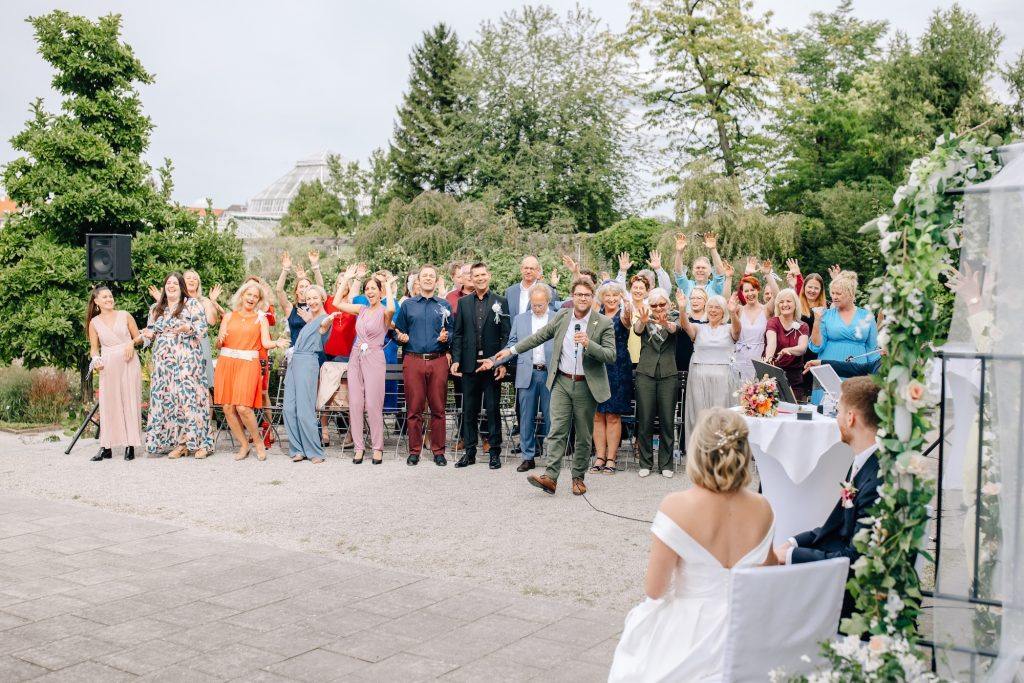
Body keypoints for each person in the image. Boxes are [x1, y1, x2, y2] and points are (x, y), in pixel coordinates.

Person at [609, 408, 776, 682]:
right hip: (747, 629)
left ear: (698, 451)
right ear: (744, 453)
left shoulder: (676, 506)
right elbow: (769, 572)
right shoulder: (763, 507)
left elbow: (655, 589)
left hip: (692, 631)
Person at [489, 277, 616, 495]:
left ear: (592, 297)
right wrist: (511, 351)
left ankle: (578, 478)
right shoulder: (563, 316)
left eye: (586, 295)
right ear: (572, 296)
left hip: (586, 385)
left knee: (584, 435)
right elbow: (539, 336)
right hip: (562, 381)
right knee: (557, 430)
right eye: (578, 294)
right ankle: (551, 477)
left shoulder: (603, 322)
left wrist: (589, 344)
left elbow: (610, 355)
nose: (582, 298)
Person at [774, 376, 882, 620]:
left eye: (838, 412)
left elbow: (855, 557)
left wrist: (791, 558)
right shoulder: (862, 461)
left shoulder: (877, 480)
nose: (836, 419)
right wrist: (792, 544)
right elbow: (836, 526)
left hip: (857, 595)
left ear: (851, 418)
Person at [214, 281, 290, 461]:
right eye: (249, 294)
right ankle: (243, 445)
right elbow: (219, 344)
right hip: (227, 362)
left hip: (248, 363)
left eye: (256, 296)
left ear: (258, 301)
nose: (252, 298)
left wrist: (276, 343)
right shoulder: (228, 316)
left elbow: (265, 343)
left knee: (243, 407)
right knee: (227, 407)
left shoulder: (260, 319)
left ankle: (258, 443)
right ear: (242, 296)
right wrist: (219, 338)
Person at [143, 272, 214, 459]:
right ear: (164, 286)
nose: (171, 286)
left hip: (187, 358)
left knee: (190, 399)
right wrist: (147, 334)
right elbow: (150, 331)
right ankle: (181, 443)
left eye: (175, 283)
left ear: (181, 286)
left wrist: (187, 328)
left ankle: (202, 444)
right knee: (171, 401)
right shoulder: (156, 308)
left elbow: (203, 329)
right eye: (168, 283)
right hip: (163, 361)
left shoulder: (192, 304)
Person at [331, 272, 397, 464]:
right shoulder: (361, 309)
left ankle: (377, 447)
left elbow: (391, 308)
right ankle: (359, 447)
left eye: (373, 288)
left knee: (373, 405)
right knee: (356, 404)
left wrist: (389, 288)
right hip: (355, 357)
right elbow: (337, 303)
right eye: (367, 288)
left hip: (375, 357)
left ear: (379, 291)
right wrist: (346, 279)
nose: (369, 291)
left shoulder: (385, 312)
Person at [450, 262, 510, 469]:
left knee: (492, 409)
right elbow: (457, 334)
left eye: (483, 275)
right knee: (469, 410)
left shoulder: (501, 301)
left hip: (492, 365)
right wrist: (456, 359)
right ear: (471, 279)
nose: (480, 279)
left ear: (489, 276)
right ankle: (470, 452)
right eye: (476, 276)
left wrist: (501, 362)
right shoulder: (464, 303)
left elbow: (506, 335)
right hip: (469, 365)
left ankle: (494, 452)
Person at [393, 264, 453, 467]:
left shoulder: (444, 305)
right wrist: (400, 336)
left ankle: (438, 451)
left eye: (432, 276)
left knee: (438, 408)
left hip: (437, 360)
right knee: (414, 409)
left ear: (436, 282)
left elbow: (454, 333)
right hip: (413, 360)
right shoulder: (408, 305)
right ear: (418, 281)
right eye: (424, 276)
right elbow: (396, 331)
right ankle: (414, 451)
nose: (428, 279)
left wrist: (448, 337)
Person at [500, 284, 558, 471]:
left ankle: (552, 457)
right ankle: (528, 456)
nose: (536, 308)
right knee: (526, 417)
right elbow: (512, 343)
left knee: (552, 417)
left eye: (540, 305)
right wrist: (499, 360)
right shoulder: (520, 319)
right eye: (533, 304)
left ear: (548, 302)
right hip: (527, 372)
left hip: (550, 373)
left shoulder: (557, 318)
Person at [85, 286, 144, 462]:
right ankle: (106, 446)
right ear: (96, 302)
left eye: (110, 296)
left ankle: (130, 444)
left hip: (128, 361)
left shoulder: (125, 315)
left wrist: (131, 343)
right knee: (108, 403)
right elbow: (94, 348)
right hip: (108, 363)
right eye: (104, 297)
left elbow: (140, 337)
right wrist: (96, 361)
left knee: (129, 400)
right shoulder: (94, 323)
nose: (109, 299)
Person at [676, 292, 739, 444]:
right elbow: (685, 325)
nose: (713, 310)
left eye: (717, 307)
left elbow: (737, 332)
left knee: (721, 415)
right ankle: (701, 450)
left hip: (723, 377)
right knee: (701, 414)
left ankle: (722, 449)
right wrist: (682, 309)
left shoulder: (730, 328)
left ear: (723, 311)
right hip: (699, 375)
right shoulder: (698, 328)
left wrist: (733, 312)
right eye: (710, 307)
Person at [282, 285, 335, 464]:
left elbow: (323, 326)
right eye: (309, 298)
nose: (311, 301)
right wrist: (309, 320)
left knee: (305, 410)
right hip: (294, 363)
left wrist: (328, 319)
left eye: (315, 298)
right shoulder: (310, 319)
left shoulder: (323, 319)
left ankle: (315, 451)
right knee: (288, 408)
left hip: (307, 363)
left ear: (322, 299)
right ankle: (297, 449)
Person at [808, 271, 878, 404]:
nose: (834, 297)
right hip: (828, 368)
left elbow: (872, 349)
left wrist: (875, 377)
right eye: (832, 293)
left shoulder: (867, 316)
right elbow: (817, 346)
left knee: (855, 407)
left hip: (857, 369)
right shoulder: (826, 315)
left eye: (838, 293)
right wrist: (817, 322)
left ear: (851, 294)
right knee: (824, 409)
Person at [633, 288, 680, 478]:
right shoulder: (644, 316)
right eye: (654, 305)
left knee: (667, 421)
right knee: (645, 419)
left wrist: (665, 323)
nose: (659, 308)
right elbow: (637, 330)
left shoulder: (675, 316)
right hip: (646, 372)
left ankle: (666, 464)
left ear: (668, 304)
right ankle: (645, 462)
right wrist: (644, 322)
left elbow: (675, 329)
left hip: (668, 373)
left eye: (662, 304)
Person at [592, 282, 633, 475]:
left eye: (615, 296)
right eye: (607, 295)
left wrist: (628, 306)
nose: (611, 299)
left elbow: (627, 320)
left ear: (619, 297)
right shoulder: (596, 313)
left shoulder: (623, 315)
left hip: (618, 368)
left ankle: (611, 458)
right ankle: (599, 456)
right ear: (601, 297)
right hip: (597, 367)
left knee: (614, 415)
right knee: (598, 414)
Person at [733, 261, 779, 382]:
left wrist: (768, 274)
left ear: (758, 290)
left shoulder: (766, 309)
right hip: (740, 356)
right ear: (742, 294)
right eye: (746, 291)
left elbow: (777, 295)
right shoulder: (739, 310)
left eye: (752, 290)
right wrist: (728, 278)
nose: (749, 294)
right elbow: (726, 299)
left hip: (759, 356)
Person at [763, 288, 810, 401]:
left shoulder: (803, 326)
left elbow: (802, 348)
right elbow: (771, 344)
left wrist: (789, 349)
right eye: (781, 301)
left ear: (795, 304)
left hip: (794, 377)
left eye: (788, 301)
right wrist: (768, 363)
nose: (785, 304)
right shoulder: (773, 322)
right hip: (774, 373)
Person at [182, 271, 222, 392]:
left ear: (198, 283)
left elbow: (212, 321)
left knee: (204, 387)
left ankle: (207, 410)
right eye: (188, 278)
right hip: (182, 344)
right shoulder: (178, 301)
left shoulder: (204, 301)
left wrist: (213, 302)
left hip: (200, 343)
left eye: (195, 278)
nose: (191, 280)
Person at [276, 250, 324, 346]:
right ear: (296, 291)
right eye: (301, 287)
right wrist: (285, 269)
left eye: (307, 287)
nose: (304, 289)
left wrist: (315, 266)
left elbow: (320, 286)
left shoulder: (315, 306)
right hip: (297, 352)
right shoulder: (290, 308)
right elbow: (279, 290)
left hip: (316, 351)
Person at [672, 231, 727, 297]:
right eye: (697, 268)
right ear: (693, 271)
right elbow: (679, 274)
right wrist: (679, 252)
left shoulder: (715, 287)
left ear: (710, 272)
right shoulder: (687, 286)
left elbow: (720, 274)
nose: (700, 270)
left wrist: (713, 249)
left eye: (703, 268)